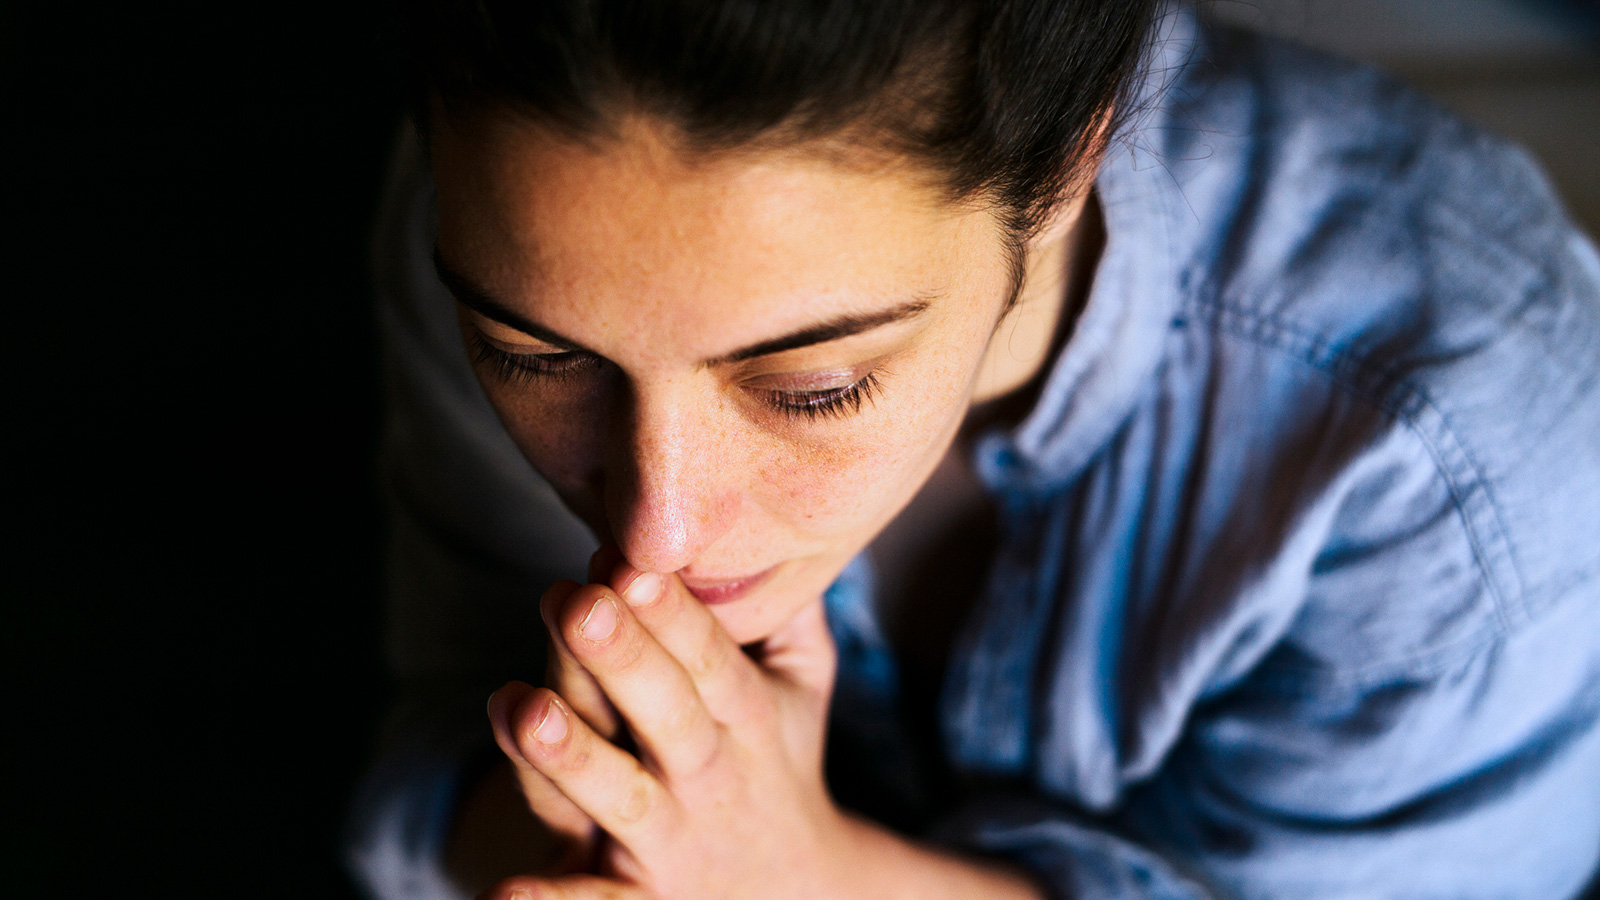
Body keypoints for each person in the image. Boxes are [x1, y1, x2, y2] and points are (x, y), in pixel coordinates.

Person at [345, 1, 1600, 898]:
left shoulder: (1457, 452)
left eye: (815, 386)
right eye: (534, 360)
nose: (653, 529)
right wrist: (597, 837)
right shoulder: (506, 221)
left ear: (1063, 169)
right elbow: (436, 745)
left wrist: (802, 880)